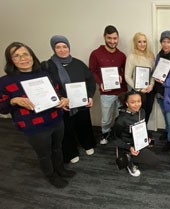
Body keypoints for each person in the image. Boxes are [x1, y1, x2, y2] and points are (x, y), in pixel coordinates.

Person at [0, 42, 75, 188]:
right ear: (11, 61)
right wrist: (14, 100)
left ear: (32, 56)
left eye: (25, 54)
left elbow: (56, 93)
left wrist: (63, 99)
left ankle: (60, 169)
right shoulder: (5, 82)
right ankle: (51, 175)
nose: (23, 58)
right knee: (44, 154)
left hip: (55, 119)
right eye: (17, 56)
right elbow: (2, 108)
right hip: (34, 126)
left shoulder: (44, 74)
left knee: (57, 147)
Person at [44, 35, 96, 164]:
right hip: (63, 105)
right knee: (66, 130)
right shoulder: (48, 66)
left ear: (69, 47)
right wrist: (59, 100)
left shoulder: (78, 63)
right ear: (53, 48)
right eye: (58, 47)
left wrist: (90, 96)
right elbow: (46, 87)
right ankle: (71, 152)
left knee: (84, 125)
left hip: (81, 103)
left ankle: (87, 144)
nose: (62, 50)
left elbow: (90, 80)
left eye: (65, 46)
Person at [89, 25, 128, 145]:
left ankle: (116, 134)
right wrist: (100, 83)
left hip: (121, 92)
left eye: (115, 38)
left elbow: (124, 70)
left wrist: (121, 74)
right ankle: (105, 133)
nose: (112, 41)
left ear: (118, 38)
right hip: (106, 92)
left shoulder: (122, 55)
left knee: (119, 116)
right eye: (109, 38)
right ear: (104, 37)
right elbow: (92, 71)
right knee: (106, 118)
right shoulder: (96, 54)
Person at [113, 91, 159, 177]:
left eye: (139, 101)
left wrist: (147, 137)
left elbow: (143, 126)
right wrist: (129, 148)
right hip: (128, 145)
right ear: (127, 103)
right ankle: (129, 161)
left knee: (154, 158)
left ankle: (135, 156)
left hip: (138, 141)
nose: (137, 104)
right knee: (153, 160)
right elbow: (114, 139)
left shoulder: (142, 112)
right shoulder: (121, 119)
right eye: (133, 102)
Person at [125, 32, 155, 123]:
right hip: (136, 92)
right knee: (136, 115)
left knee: (147, 113)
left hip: (149, 91)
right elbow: (127, 76)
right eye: (139, 42)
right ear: (135, 43)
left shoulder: (151, 55)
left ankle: (144, 133)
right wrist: (138, 89)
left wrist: (151, 84)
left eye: (144, 42)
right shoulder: (131, 57)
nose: (142, 44)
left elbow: (154, 73)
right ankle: (136, 135)